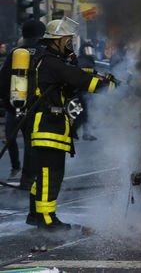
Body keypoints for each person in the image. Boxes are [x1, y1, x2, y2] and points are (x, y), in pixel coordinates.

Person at [24, 17, 115, 230]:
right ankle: (47, 220)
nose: (70, 44)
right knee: (50, 174)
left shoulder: (48, 60)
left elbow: (73, 76)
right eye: (67, 40)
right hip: (47, 126)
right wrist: (110, 86)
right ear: (57, 41)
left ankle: (35, 214)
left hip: (48, 124)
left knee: (44, 174)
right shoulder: (51, 62)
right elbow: (80, 80)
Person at [0, 20, 46, 182]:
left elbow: (3, 81)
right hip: (34, 107)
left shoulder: (15, 53)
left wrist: (7, 102)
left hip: (14, 105)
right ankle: (28, 178)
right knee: (30, 143)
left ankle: (16, 167)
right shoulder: (44, 53)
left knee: (10, 137)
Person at [73, 40, 97, 141]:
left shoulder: (89, 61)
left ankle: (86, 133)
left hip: (87, 90)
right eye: (87, 50)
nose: (89, 52)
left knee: (86, 113)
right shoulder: (82, 61)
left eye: (91, 50)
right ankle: (74, 131)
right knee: (84, 113)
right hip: (82, 91)